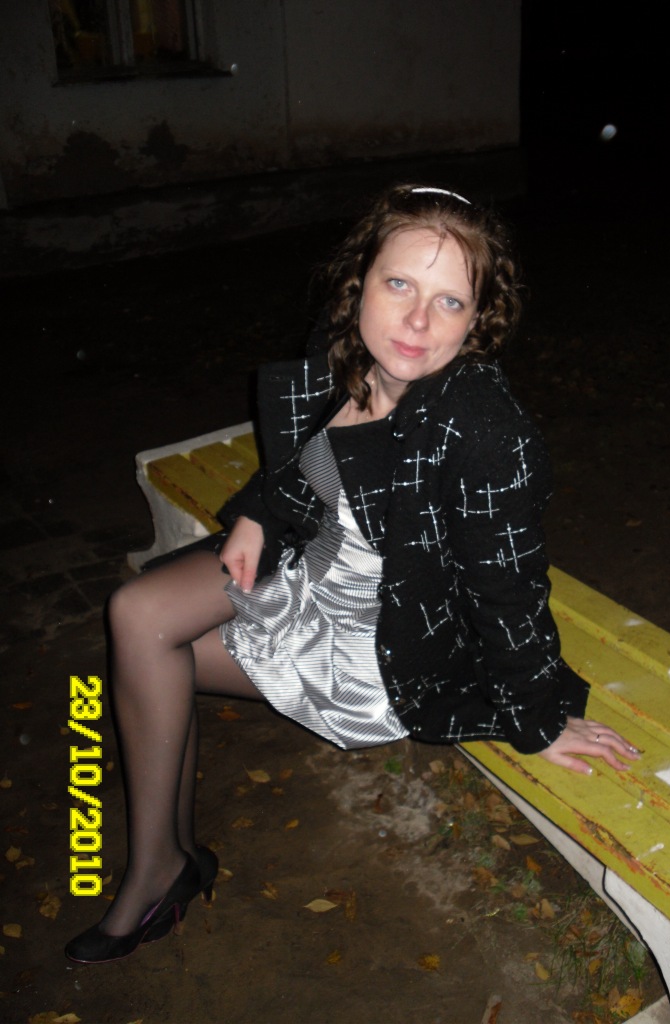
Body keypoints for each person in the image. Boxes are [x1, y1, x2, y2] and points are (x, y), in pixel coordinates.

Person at [65, 183, 639, 965]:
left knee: (153, 655)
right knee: (137, 614)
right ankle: (162, 862)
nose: (416, 321)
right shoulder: (343, 348)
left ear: (478, 318)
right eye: (398, 284)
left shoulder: (480, 429)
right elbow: (300, 459)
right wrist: (258, 513)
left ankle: (160, 871)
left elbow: (507, 591)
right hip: (311, 567)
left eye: (450, 301)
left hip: (387, 635)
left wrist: (537, 720)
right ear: (360, 280)